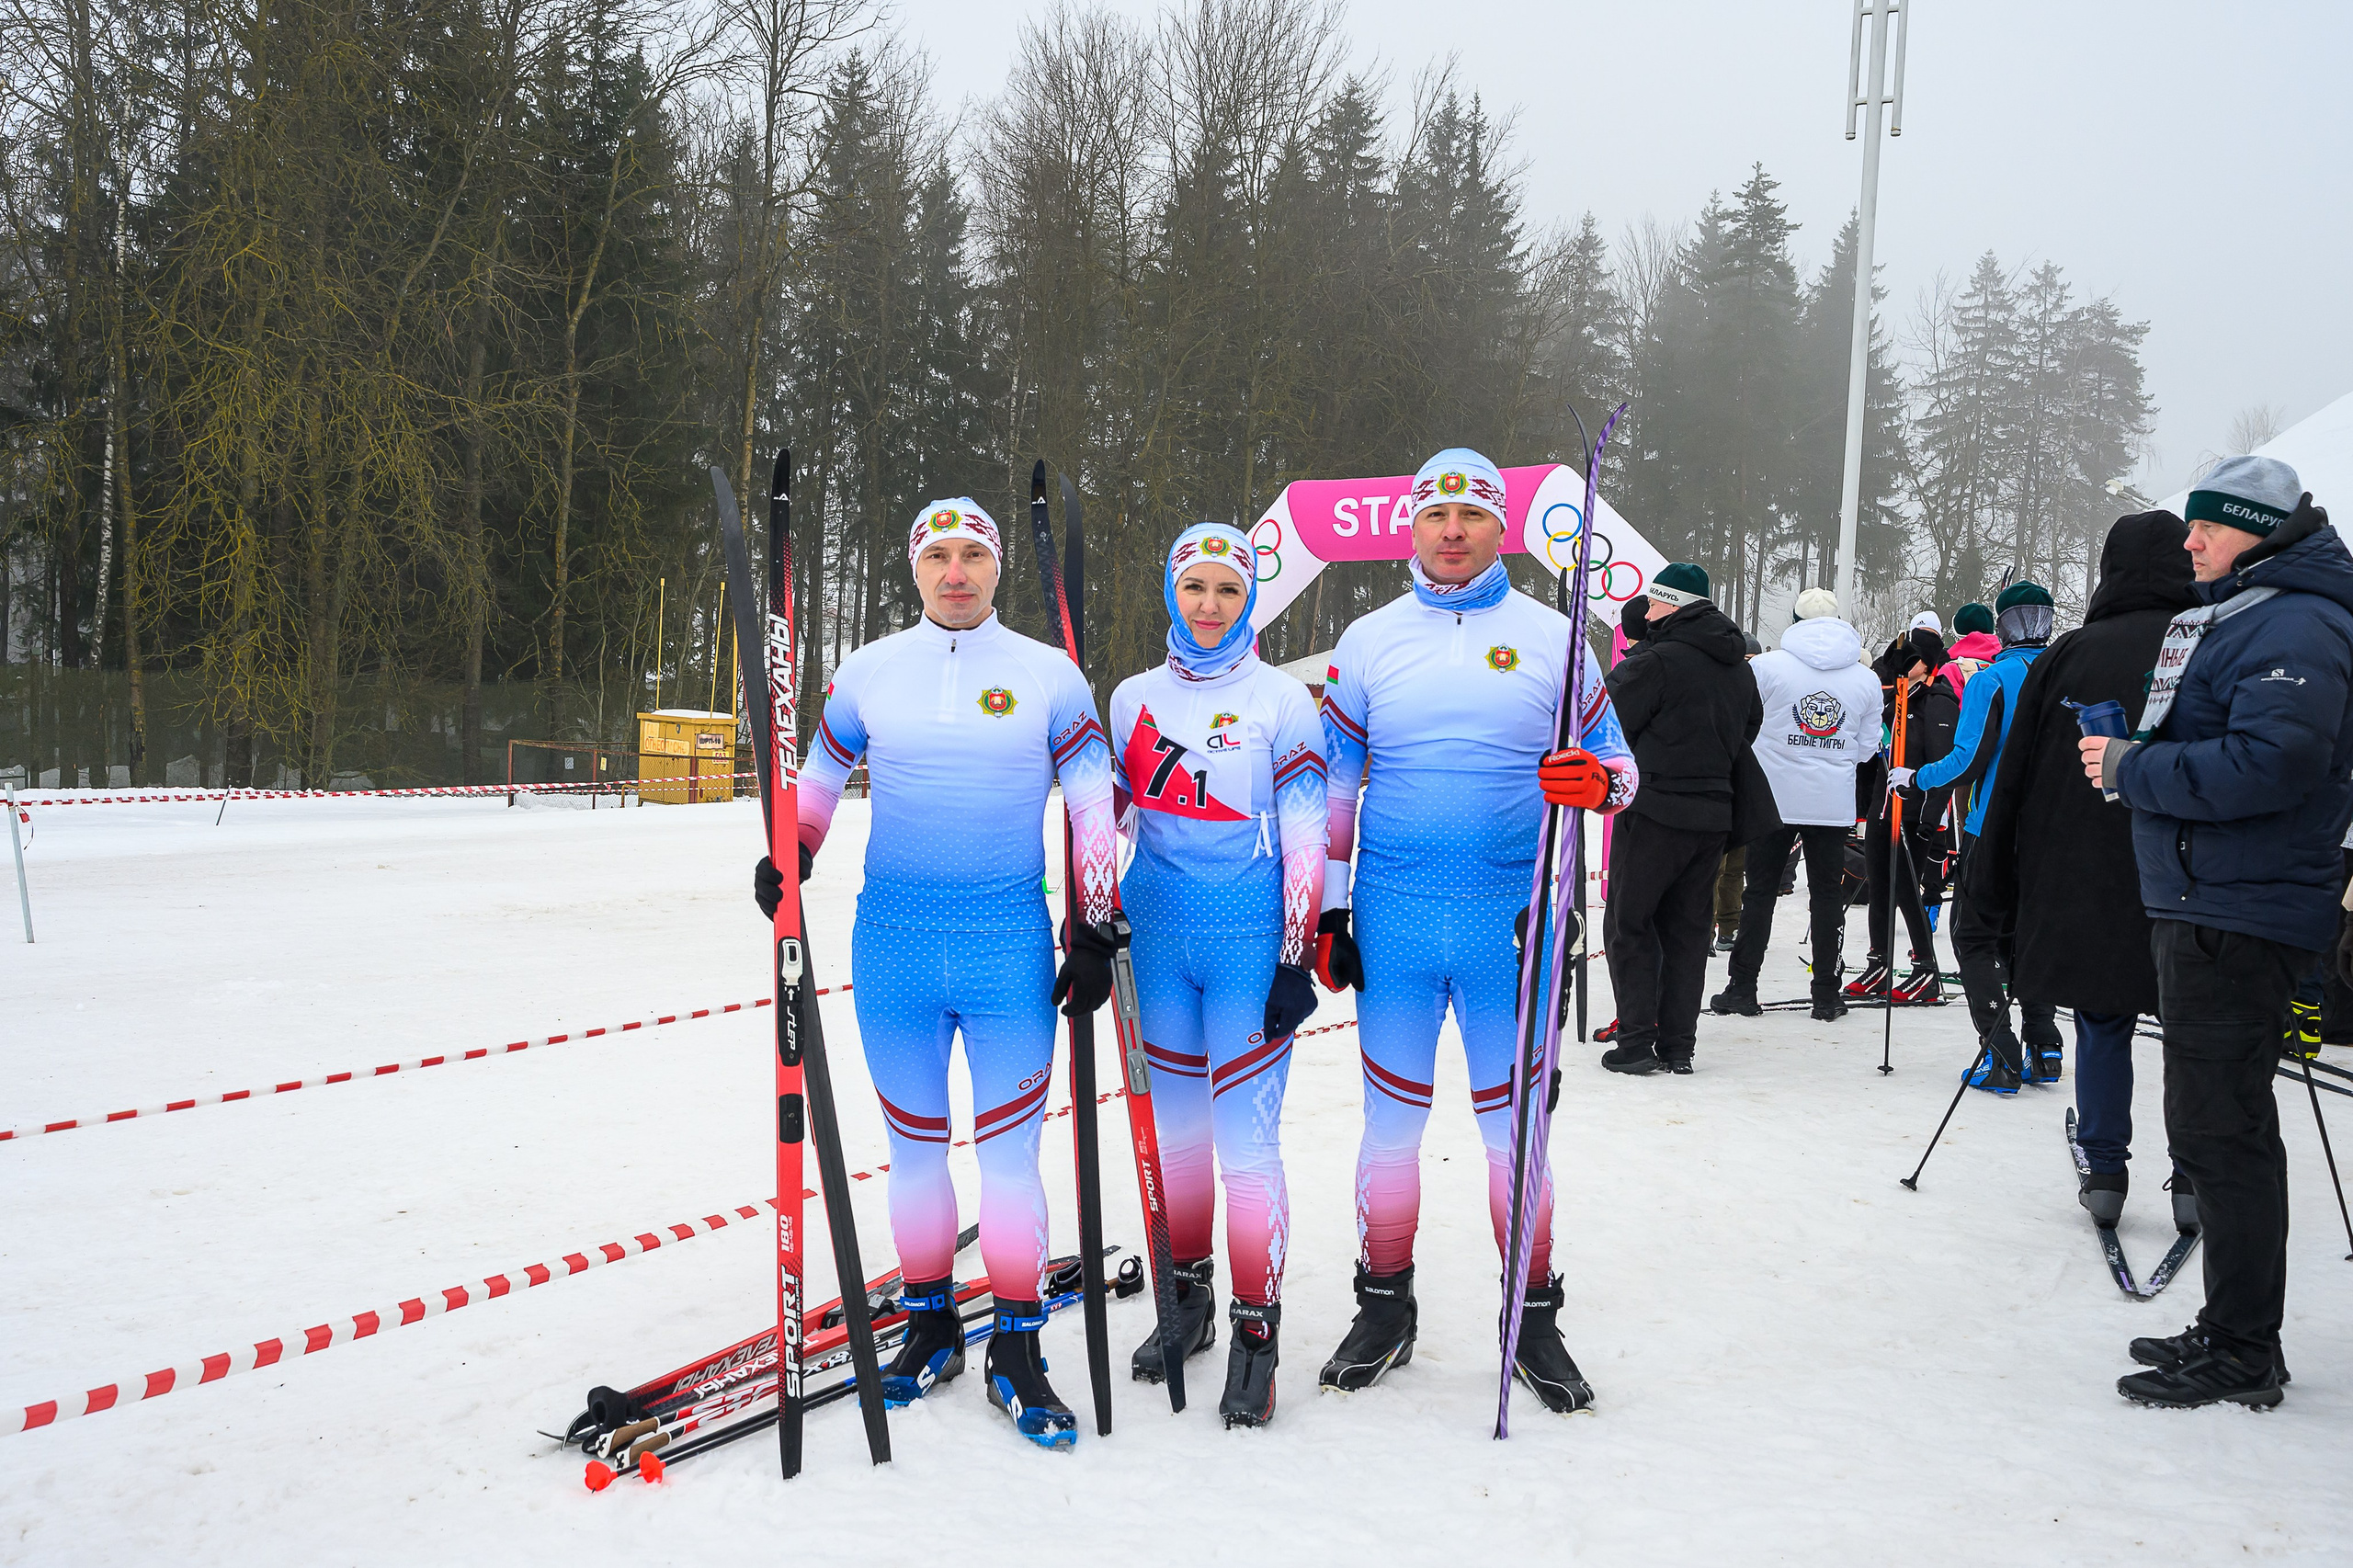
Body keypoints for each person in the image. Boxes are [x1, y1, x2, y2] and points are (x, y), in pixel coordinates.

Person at [755, 497, 1119, 1450]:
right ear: (913, 567)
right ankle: (930, 1329)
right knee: (913, 1152)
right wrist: (793, 850)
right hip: (895, 946)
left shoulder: (1049, 674)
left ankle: (1017, 1350)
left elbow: (1092, 802)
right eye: (937, 556)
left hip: (1008, 946)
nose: (955, 572)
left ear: (998, 567)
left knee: (1008, 1157)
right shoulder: (871, 670)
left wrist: (1093, 923)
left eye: (972, 555)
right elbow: (819, 780)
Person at [1314, 447, 1636, 1412]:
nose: (1452, 531)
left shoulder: (1556, 636)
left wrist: (1597, 782)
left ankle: (1531, 1317)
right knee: (1390, 1128)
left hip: (1515, 924)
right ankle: (1384, 1305)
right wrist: (1329, 905)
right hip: (1395, 918)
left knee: (1515, 1134)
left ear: (1502, 527)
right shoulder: (1369, 638)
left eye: (1472, 515)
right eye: (1436, 514)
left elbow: (1621, 768)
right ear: (1411, 525)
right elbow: (1336, 782)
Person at [2077, 457, 2353, 1409]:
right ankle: (2232, 1324)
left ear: (2260, 531)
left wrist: (2132, 768)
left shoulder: (2297, 621)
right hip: (2210, 898)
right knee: (2214, 1125)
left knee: (2220, 1131)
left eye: (2210, 527)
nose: (2188, 541)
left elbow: (2274, 762)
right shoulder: (2248, 611)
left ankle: (2242, 1346)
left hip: (2241, 906)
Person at [1105, 522, 1326, 1427]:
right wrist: (1089, 898)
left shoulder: (1282, 699)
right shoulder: (1130, 697)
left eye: (1227, 589)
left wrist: (1296, 952)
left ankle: (1255, 1333)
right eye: (1193, 586)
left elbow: (1307, 834)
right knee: (1179, 1141)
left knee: (1246, 1150)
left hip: (1246, 940)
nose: (1208, 604)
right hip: (1156, 938)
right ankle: (1187, 1299)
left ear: (1249, 599)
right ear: (1171, 590)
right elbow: (1112, 817)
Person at [1971, 515, 2200, 1228]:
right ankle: (2194, 1174)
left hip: (2088, 864)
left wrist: (1994, 877)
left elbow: (2013, 776)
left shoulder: (2070, 652)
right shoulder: (2212, 640)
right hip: (2193, 864)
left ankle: (2105, 1168)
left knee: (2104, 1012)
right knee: (2193, 1022)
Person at [1600, 562, 1773, 1074]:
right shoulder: (1737, 665)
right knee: (1688, 931)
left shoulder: (1657, 661)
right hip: (1714, 813)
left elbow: (1605, 720)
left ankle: (1636, 1041)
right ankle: (1678, 1045)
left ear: (1672, 604)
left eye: (1654, 602)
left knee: (1630, 922)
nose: (1647, 612)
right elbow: (1750, 724)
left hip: (1654, 808)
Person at [1711, 585, 1882, 1021]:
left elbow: (1743, 725)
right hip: (1832, 801)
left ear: (1794, 620)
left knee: (1759, 892)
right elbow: (1868, 748)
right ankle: (1826, 994)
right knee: (1827, 896)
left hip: (1774, 797)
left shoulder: (1766, 667)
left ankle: (1742, 987)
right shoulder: (1865, 678)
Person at [1914, 582, 2056, 1091]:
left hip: (1992, 826)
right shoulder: (2066, 673)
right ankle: (2045, 1044)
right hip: (2049, 831)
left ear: (2004, 626)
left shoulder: (1991, 679)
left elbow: (1968, 760)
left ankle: (2001, 1053)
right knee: (2026, 933)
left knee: (1972, 935)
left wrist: (1916, 778)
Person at [1850, 627, 1957, 1003]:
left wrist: (1931, 816)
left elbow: (1945, 764)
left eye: (1910, 657)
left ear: (1925, 663)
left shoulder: (1938, 701)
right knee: (1879, 886)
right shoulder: (1894, 698)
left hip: (1913, 812)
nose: (1901, 662)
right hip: (1883, 808)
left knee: (1906, 889)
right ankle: (1878, 963)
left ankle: (1925, 968)